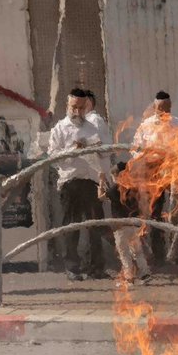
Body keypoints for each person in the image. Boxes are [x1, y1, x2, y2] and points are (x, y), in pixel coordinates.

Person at [46, 87, 111, 281]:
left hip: (91, 181)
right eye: (73, 107)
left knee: (95, 225)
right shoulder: (59, 128)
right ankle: (72, 267)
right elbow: (52, 157)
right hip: (70, 182)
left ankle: (96, 267)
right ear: (67, 105)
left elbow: (107, 152)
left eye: (81, 108)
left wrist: (98, 148)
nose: (77, 112)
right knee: (71, 226)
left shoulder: (93, 127)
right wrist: (72, 150)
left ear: (86, 107)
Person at [131, 90, 178, 268]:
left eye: (166, 108)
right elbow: (134, 149)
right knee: (154, 213)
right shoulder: (146, 126)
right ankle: (158, 254)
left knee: (177, 212)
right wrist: (145, 157)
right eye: (160, 108)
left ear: (171, 107)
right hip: (153, 173)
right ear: (154, 107)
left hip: (174, 172)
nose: (163, 112)